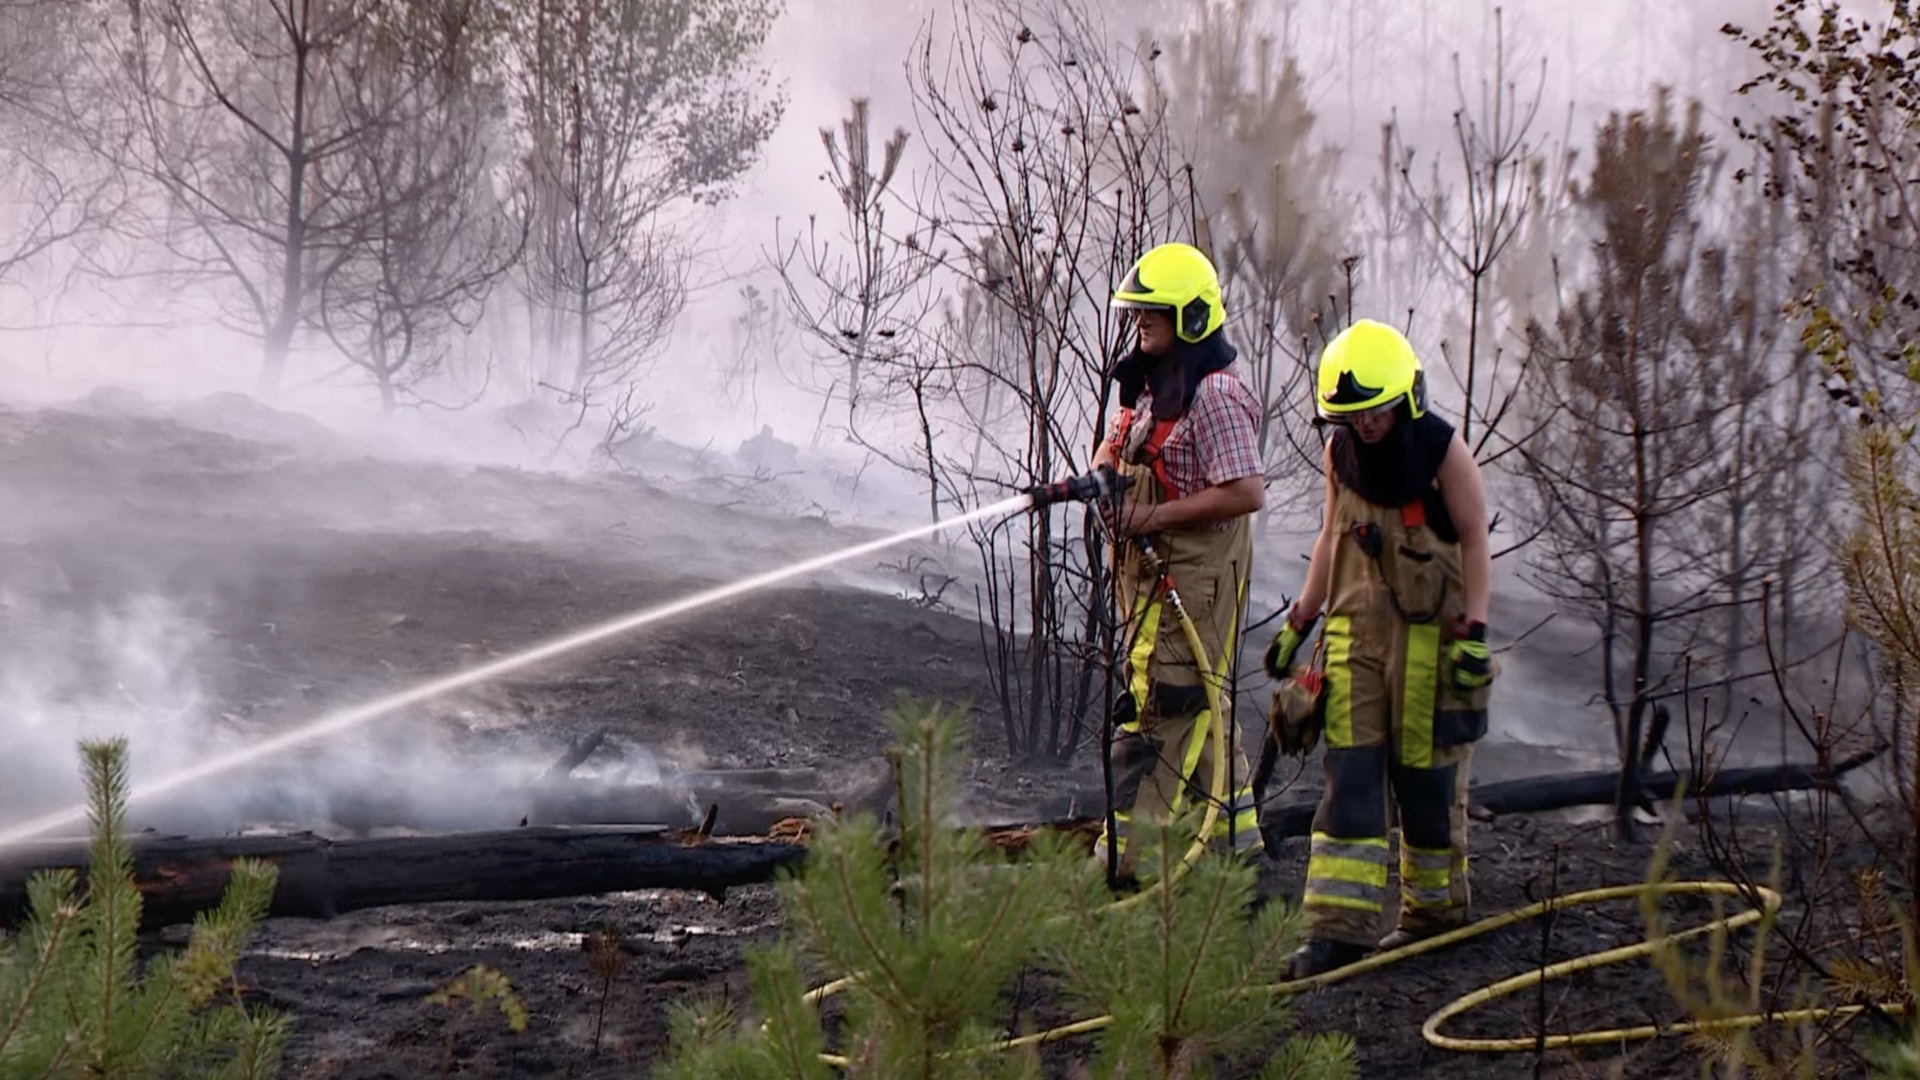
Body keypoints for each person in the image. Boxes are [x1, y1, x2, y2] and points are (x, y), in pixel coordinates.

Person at [1263, 318, 1496, 978]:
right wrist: (1297, 623)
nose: (1364, 425)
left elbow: (1476, 540)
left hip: (1430, 643)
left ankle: (1433, 913)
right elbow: (1331, 539)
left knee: (1425, 782)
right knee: (1352, 781)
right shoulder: (1340, 455)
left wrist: (1476, 632)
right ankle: (1337, 931)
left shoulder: (1444, 454)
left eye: (1374, 412)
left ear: (1405, 398)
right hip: (1354, 640)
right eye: (1350, 415)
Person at [1088, 241, 1268, 878]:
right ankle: (1236, 858)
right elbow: (1110, 444)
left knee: (1168, 706)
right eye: (1136, 312)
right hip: (1149, 580)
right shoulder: (1150, 381)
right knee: (1200, 708)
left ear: (1190, 316)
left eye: (1152, 312)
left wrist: (1151, 517)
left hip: (1197, 581)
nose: (1139, 322)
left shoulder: (1215, 395)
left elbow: (1246, 491)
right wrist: (1104, 476)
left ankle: (1127, 870)